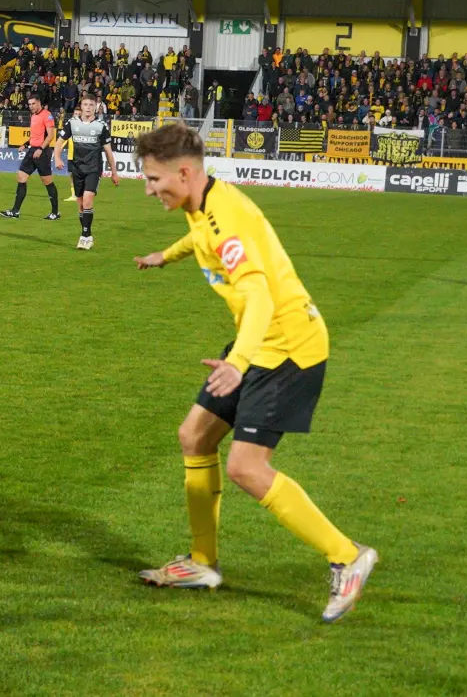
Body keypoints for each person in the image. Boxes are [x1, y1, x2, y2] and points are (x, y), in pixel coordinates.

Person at [131, 123, 376, 623]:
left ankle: (348, 556)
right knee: (194, 438)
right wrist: (164, 257)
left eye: (154, 179)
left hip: (287, 348)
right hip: (255, 343)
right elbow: (199, 237)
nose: (148, 188)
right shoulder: (204, 203)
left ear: (183, 171)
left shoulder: (228, 219)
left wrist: (238, 364)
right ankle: (202, 563)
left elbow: (260, 295)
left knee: (246, 467)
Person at [52, 95, 120, 250]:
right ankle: (87, 235)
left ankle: (85, 236)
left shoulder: (101, 126)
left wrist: (114, 172)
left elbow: (108, 151)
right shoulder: (72, 123)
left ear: (96, 107)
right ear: (81, 106)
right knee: (81, 205)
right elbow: (59, 143)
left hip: (94, 169)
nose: (88, 107)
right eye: (85, 104)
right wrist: (57, 158)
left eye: (91, 104)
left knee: (88, 201)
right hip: (77, 168)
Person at [0, 96, 60, 219]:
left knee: (47, 181)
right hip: (32, 150)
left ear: (39, 103)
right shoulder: (33, 116)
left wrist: (41, 149)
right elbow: (35, 136)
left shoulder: (47, 115)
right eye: (29, 104)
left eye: (33, 103)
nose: (31, 106)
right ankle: (15, 211)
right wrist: (26, 144)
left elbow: (50, 136)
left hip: (42, 152)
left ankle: (55, 212)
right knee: (21, 176)